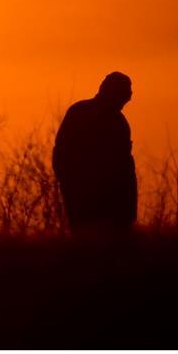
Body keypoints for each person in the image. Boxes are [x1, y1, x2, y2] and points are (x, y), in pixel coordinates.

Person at [52, 71, 137, 234]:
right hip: (85, 197)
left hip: (114, 203)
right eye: (124, 93)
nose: (129, 97)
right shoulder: (81, 113)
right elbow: (62, 152)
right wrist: (69, 185)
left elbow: (125, 166)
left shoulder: (119, 122)